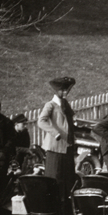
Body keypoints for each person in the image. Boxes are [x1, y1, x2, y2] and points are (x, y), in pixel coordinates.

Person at [36, 76, 76, 206]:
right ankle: (54, 207)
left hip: (68, 147)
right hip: (55, 149)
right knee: (55, 178)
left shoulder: (65, 104)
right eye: (63, 91)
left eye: (67, 90)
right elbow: (41, 121)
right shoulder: (51, 105)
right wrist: (55, 133)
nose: (66, 93)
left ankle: (67, 208)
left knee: (68, 179)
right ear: (57, 91)